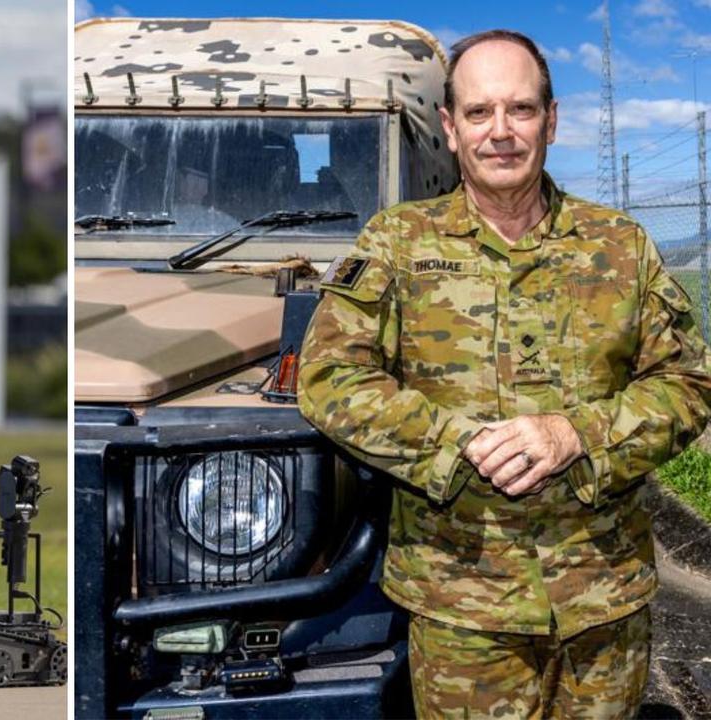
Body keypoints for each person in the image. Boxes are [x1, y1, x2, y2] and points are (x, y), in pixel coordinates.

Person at [298, 29, 711, 718]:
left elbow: (688, 382)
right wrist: (455, 443)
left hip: (602, 602)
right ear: (450, 128)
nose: (501, 132)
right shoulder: (397, 243)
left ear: (551, 121)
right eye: (480, 112)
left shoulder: (621, 246)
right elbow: (330, 379)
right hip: (462, 607)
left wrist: (576, 435)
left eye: (520, 110)